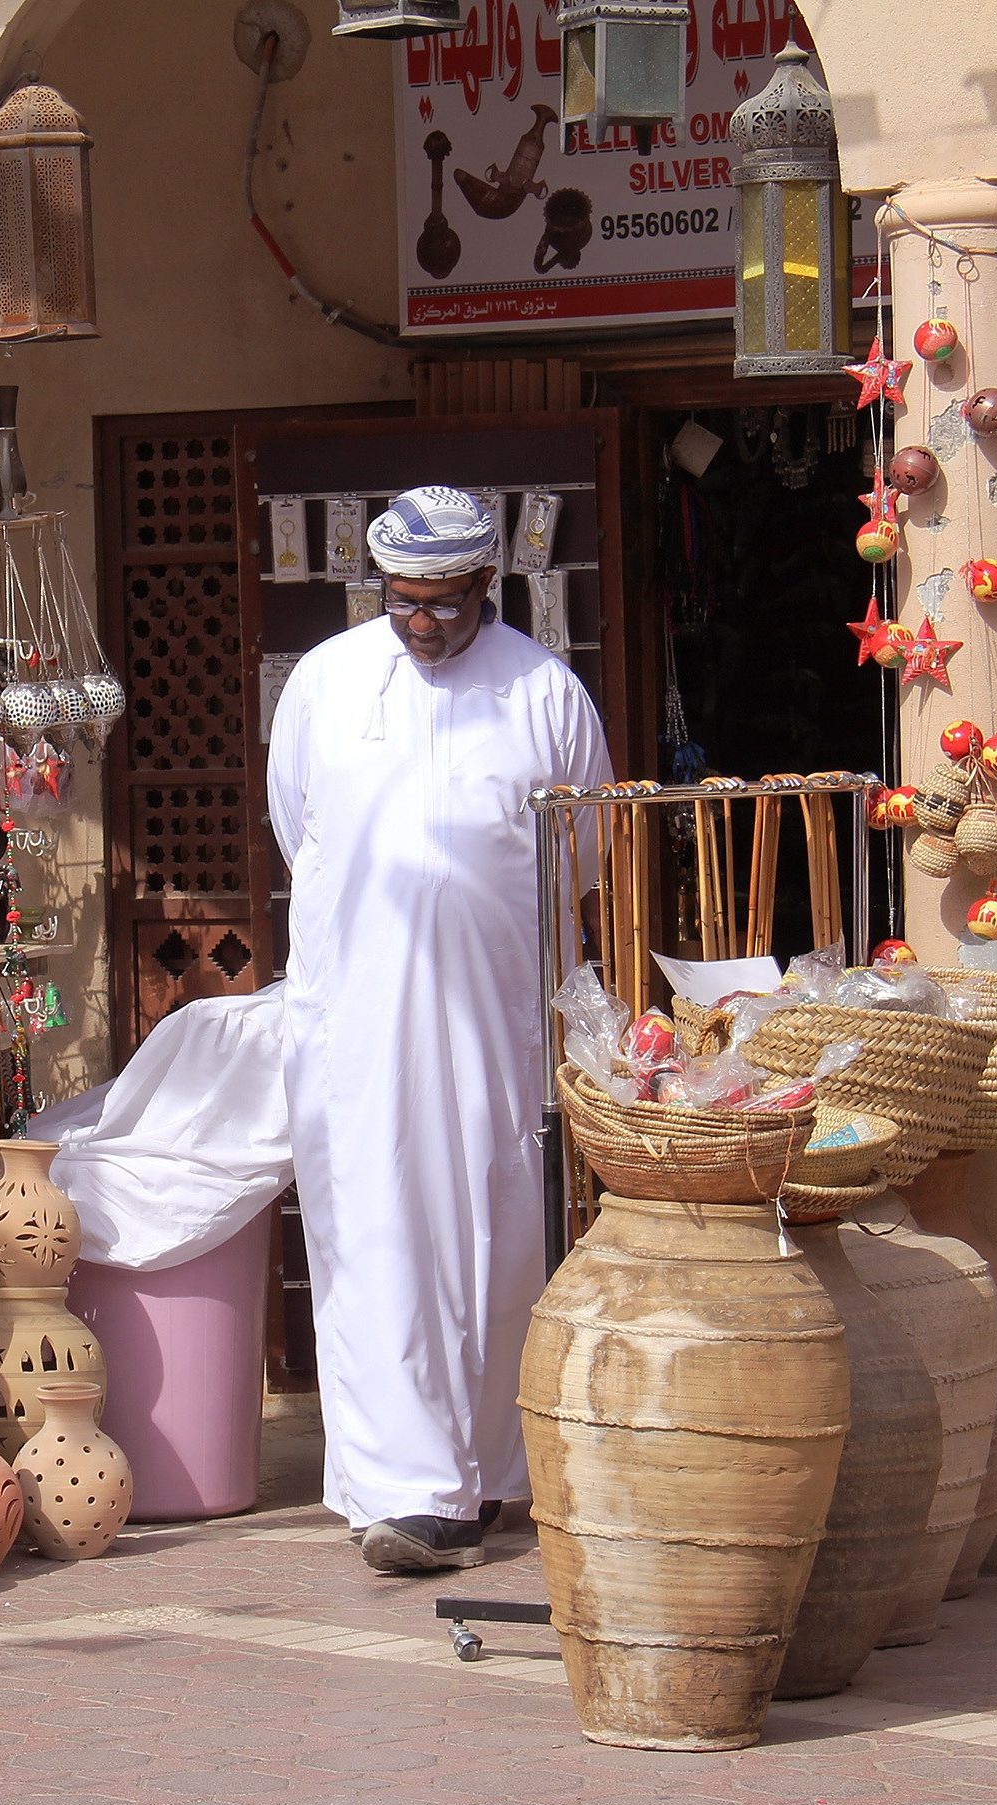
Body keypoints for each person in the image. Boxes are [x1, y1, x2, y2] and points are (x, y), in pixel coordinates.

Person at [266, 486, 613, 1574]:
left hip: (491, 1022)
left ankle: (494, 1470)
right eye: (403, 602)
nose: (421, 623)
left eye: (444, 603)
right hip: (358, 1021)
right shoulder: (327, 682)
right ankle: (408, 1491)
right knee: (375, 1233)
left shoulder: (543, 692)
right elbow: (298, 830)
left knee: (496, 1234)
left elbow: (583, 853)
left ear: (487, 586)